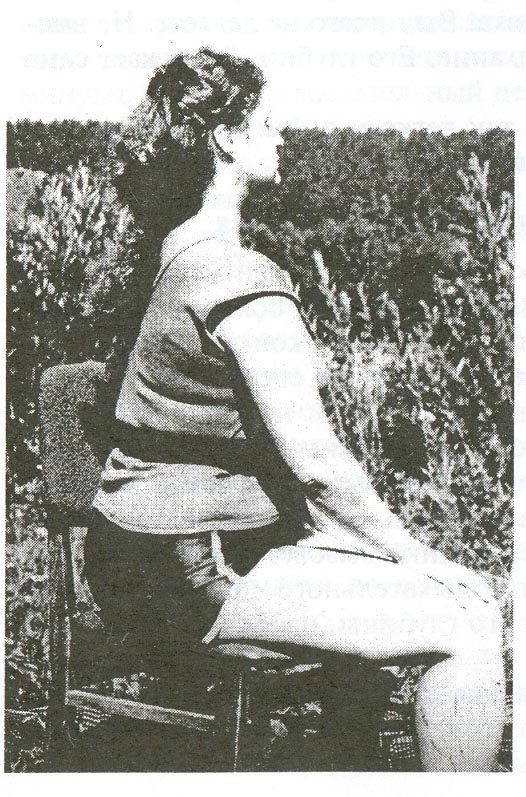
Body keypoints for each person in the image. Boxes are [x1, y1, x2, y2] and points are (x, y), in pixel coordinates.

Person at [84, 47, 505, 772]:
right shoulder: (236, 275)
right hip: (196, 567)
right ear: (226, 139)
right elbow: (312, 461)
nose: (282, 136)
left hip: (133, 555)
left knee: (405, 584)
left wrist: (362, 546)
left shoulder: (173, 255)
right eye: (268, 124)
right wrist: (416, 553)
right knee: (469, 618)